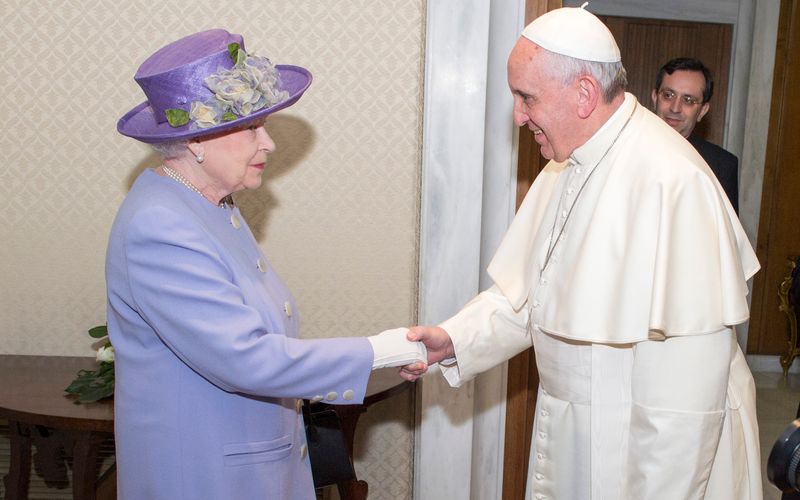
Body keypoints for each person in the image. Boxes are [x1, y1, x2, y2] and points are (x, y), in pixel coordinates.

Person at [398, 7, 762, 500]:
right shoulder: (568, 160)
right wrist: (454, 338)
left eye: (527, 97)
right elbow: (531, 294)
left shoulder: (672, 182)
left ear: (585, 94)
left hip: (633, 452)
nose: (518, 116)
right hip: (575, 431)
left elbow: (681, 416)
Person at [110, 29, 424, 499]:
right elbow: (246, 358)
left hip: (243, 464)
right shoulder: (162, 225)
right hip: (201, 475)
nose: (269, 144)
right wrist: (382, 350)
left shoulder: (208, 204)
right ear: (198, 140)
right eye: (252, 128)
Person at [652, 57, 739, 213]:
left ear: (703, 111)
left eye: (688, 100)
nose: (675, 108)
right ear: (654, 98)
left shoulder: (721, 166)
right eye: (668, 95)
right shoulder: (622, 152)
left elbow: (725, 236)